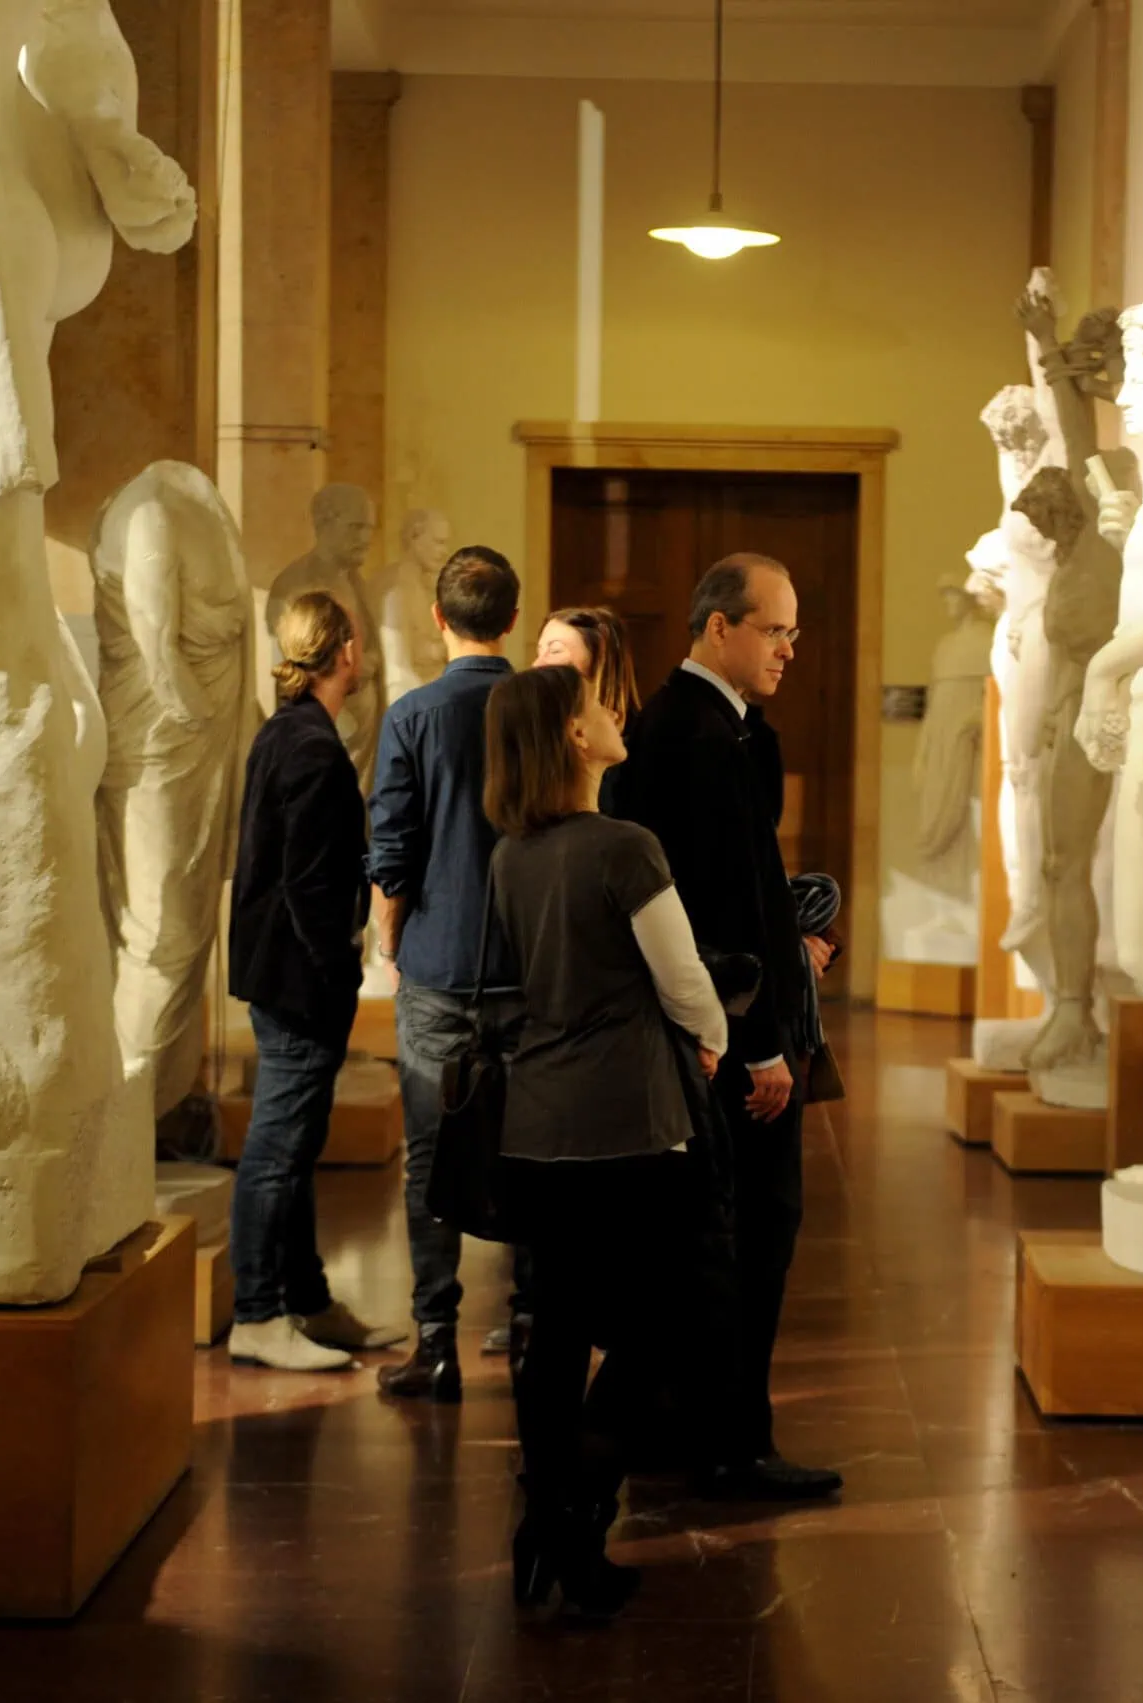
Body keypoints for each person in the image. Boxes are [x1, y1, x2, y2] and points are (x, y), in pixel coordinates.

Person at [483, 665, 731, 1618]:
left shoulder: (512, 856)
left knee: (558, 1332)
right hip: (629, 1119)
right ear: (574, 739)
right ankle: (575, 1506)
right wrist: (714, 1041)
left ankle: (552, 1520)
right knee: (667, 1324)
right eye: (596, 706)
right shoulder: (626, 846)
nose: (613, 712)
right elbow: (684, 980)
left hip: (536, 1124)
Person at [606, 554, 843, 1501]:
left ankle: (688, 1425)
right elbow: (701, 911)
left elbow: (744, 892)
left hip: (737, 1021)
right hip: (734, 1041)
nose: (789, 647)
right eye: (773, 629)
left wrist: (794, 942)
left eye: (792, 631)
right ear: (717, 628)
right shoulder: (693, 737)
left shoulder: (722, 728)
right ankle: (731, 1442)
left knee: (723, 1238)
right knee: (748, 1236)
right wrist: (761, 1043)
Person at [224, 593, 407, 1371]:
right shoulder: (309, 747)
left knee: (292, 1147)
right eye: (356, 643)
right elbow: (304, 881)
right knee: (278, 1147)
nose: (360, 655)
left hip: (286, 974)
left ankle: (306, 1300)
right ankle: (259, 1313)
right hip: (299, 979)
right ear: (341, 652)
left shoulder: (289, 731)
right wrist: (342, 960)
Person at [368, 545, 524, 1399]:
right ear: (510, 618)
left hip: (437, 962)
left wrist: (393, 940)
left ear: (438, 619)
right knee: (535, 1148)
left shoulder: (412, 714)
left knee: (431, 1160)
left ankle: (436, 1340)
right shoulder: (541, 708)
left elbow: (392, 848)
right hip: (532, 966)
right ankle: (533, 1318)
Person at [534, 606, 643, 725]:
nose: (536, 664)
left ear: (600, 659)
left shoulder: (644, 738)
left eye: (555, 650)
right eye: (539, 652)